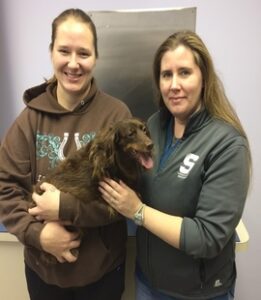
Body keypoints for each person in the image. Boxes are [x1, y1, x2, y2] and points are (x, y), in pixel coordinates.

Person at [99, 30, 251, 300]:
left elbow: (208, 236)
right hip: (147, 282)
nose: (173, 85)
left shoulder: (226, 144)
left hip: (198, 293)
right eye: (166, 75)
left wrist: (138, 212)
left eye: (184, 72)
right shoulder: (155, 126)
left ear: (204, 78)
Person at [0, 8, 131, 300]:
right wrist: (39, 235)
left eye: (83, 53)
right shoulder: (29, 120)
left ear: (96, 57)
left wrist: (66, 208)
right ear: (51, 53)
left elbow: (125, 197)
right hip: (43, 275)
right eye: (64, 51)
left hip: (103, 274)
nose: (73, 63)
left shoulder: (116, 117)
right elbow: (6, 190)